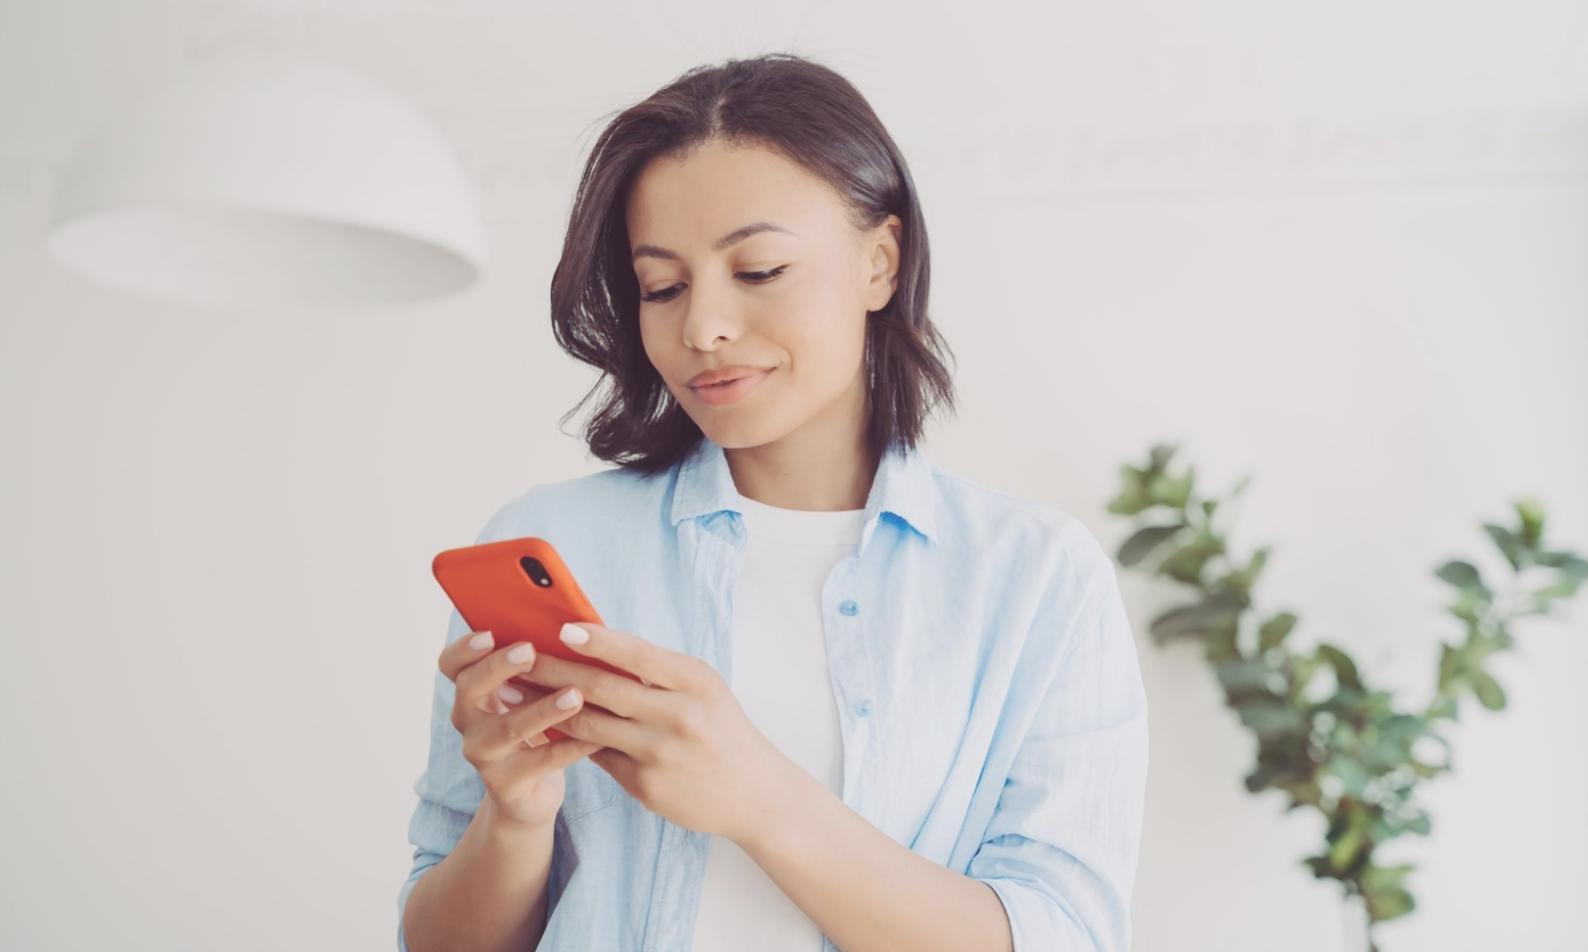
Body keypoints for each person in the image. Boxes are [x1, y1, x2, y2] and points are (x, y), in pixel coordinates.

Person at [397, 52, 1148, 952]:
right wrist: (514, 817)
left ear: (880, 261)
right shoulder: (555, 542)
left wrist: (760, 797)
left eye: (756, 271)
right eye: (661, 286)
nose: (702, 327)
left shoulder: (1034, 581)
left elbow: (1063, 937)